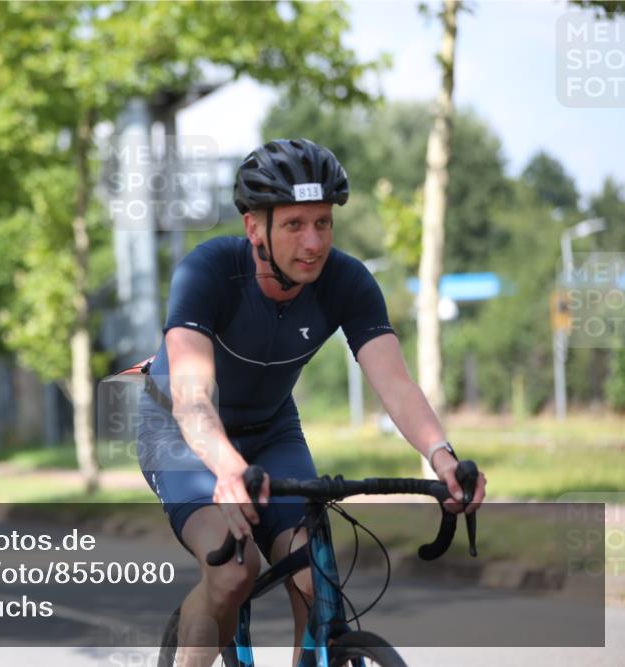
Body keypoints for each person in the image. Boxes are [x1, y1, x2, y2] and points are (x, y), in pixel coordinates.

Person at [135, 138, 487, 666]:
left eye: (323, 222)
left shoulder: (346, 281)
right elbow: (191, 395)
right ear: (255, 227)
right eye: (295, 224)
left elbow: (396, 384)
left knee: (314, 580)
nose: (313, 241)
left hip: (272, 431)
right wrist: (228, 468)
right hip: (181, 431)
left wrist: (443, 457)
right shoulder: (206, 271)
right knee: (233, 572)